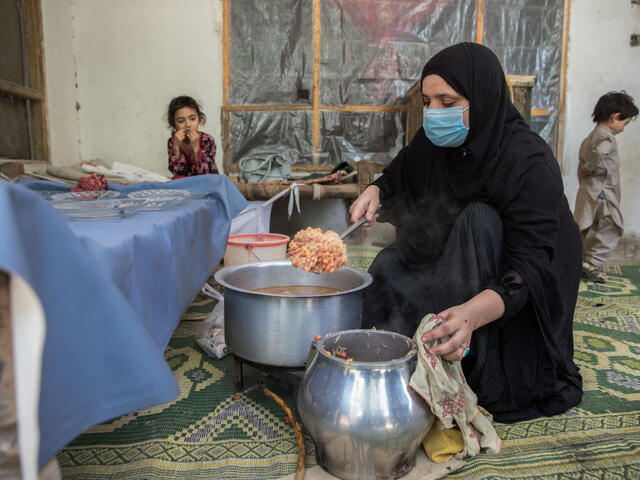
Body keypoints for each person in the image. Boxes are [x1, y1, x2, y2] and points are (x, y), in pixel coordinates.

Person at [349, 42, 583, 423]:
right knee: (392, 264)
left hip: (518, 286)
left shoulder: (528, 162)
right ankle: (413, 341)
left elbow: (532, 266)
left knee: (478, 218)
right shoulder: (434, 143)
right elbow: (399, 175)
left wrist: (471, 316)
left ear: (483, 97)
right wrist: (375, 190)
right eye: (426, 102)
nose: (433, 114)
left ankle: (474, 354)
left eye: (448, 101)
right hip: (459, 261)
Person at [573, 92, 638, 283]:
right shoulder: (606, 137)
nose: (623, 129)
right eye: (624, 123)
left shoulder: (591, 135)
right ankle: (591, 262)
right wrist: (591, 167)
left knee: (586, 227)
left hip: (589, 190)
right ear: (615, 116)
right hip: (602, 193)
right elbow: (599, 153)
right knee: (612, 227)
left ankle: (579, 260)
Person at [167, 95, 219, 178]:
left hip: (207, 181)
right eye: (181, 121)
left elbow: (203, 173)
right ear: (173, 124)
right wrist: (176, 147)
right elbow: (177, 172)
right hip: (185, 184)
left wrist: (196, 149)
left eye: (192, 119)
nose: (188, 125)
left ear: (199, 119)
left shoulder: (208, 140)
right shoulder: (173, 141)